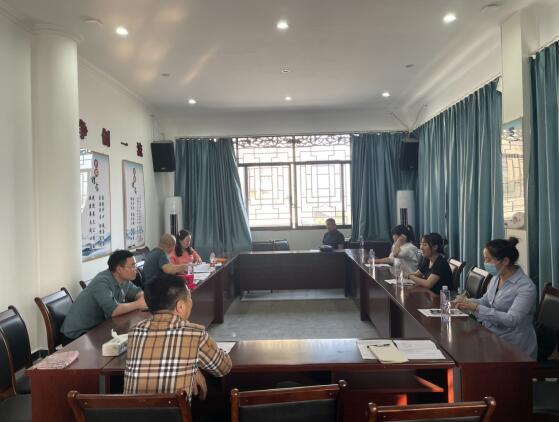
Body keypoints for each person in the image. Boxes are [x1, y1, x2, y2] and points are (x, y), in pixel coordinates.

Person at [124, 273, 232, 401]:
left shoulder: (134, 332)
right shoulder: (194, 334)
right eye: (189, 297)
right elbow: (223, 368)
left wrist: (192, 368)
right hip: (176, 411)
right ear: (180, 306)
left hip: (131, 411)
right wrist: (193, 368)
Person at [453, 237, 537, 359]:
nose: (485, 263)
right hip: (490, 335)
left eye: (488, 259)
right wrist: (466, 302)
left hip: (513, 345)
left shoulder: (526, 287)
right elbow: (486, 301)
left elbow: (512, 319)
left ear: (505, 261)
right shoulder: (496, 278)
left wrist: (476, 308)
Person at [60, 250, 146, 343]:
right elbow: (113, 310)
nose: (136, 269)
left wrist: (142, 297)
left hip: (98, 328)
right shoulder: (102, 281)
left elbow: (137, 293)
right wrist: (138, 304)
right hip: (77, 335)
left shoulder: (124, 280)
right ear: (119, 269)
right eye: (132, 266)